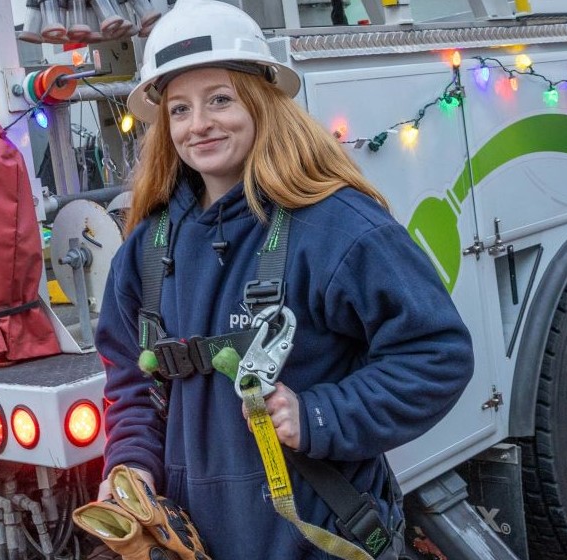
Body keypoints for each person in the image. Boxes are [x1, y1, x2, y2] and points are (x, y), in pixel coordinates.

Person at [94, 0, 474, 558]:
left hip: (316, 539)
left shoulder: (339, 228)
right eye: (179, 109)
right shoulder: (148, 250)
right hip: (195, 541)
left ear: (262, 102)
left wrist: (321, 414)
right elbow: (130, 377)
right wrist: (131, 462)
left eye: (219, 99)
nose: (198, 124)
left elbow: (437, 354)